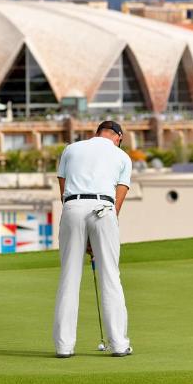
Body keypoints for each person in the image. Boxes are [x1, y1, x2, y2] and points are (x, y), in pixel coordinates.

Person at [53, 120, 132, 358]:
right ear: (118, 137)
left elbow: (63, 190)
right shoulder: (122, 156)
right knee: (110, 276)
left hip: (72, 206)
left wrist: (80, 229)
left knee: (69, 277)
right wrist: (98, 236)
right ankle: (119, 345)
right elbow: (118, 201)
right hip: (104, 208)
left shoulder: (71, 149)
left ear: (97, 133)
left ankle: (64, 346)